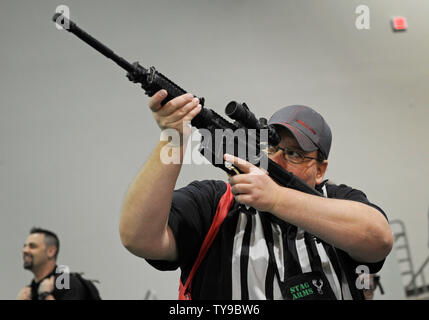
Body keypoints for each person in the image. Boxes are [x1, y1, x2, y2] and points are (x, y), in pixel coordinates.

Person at [119, 90, 393, 300]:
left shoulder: (337, 201)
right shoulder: (214, 203)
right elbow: (138, 238)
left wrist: (275, 199)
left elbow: (377, 238)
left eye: (295, 154)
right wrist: (174, 138)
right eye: (272, 148)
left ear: (320, 170)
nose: (278, 161)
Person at [17, 227, 97, 300]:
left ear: (51, 251)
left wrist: (45, 296)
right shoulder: (30, 291)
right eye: (25, 246)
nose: (25, 250)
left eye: (32, 246)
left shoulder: (67, 283)